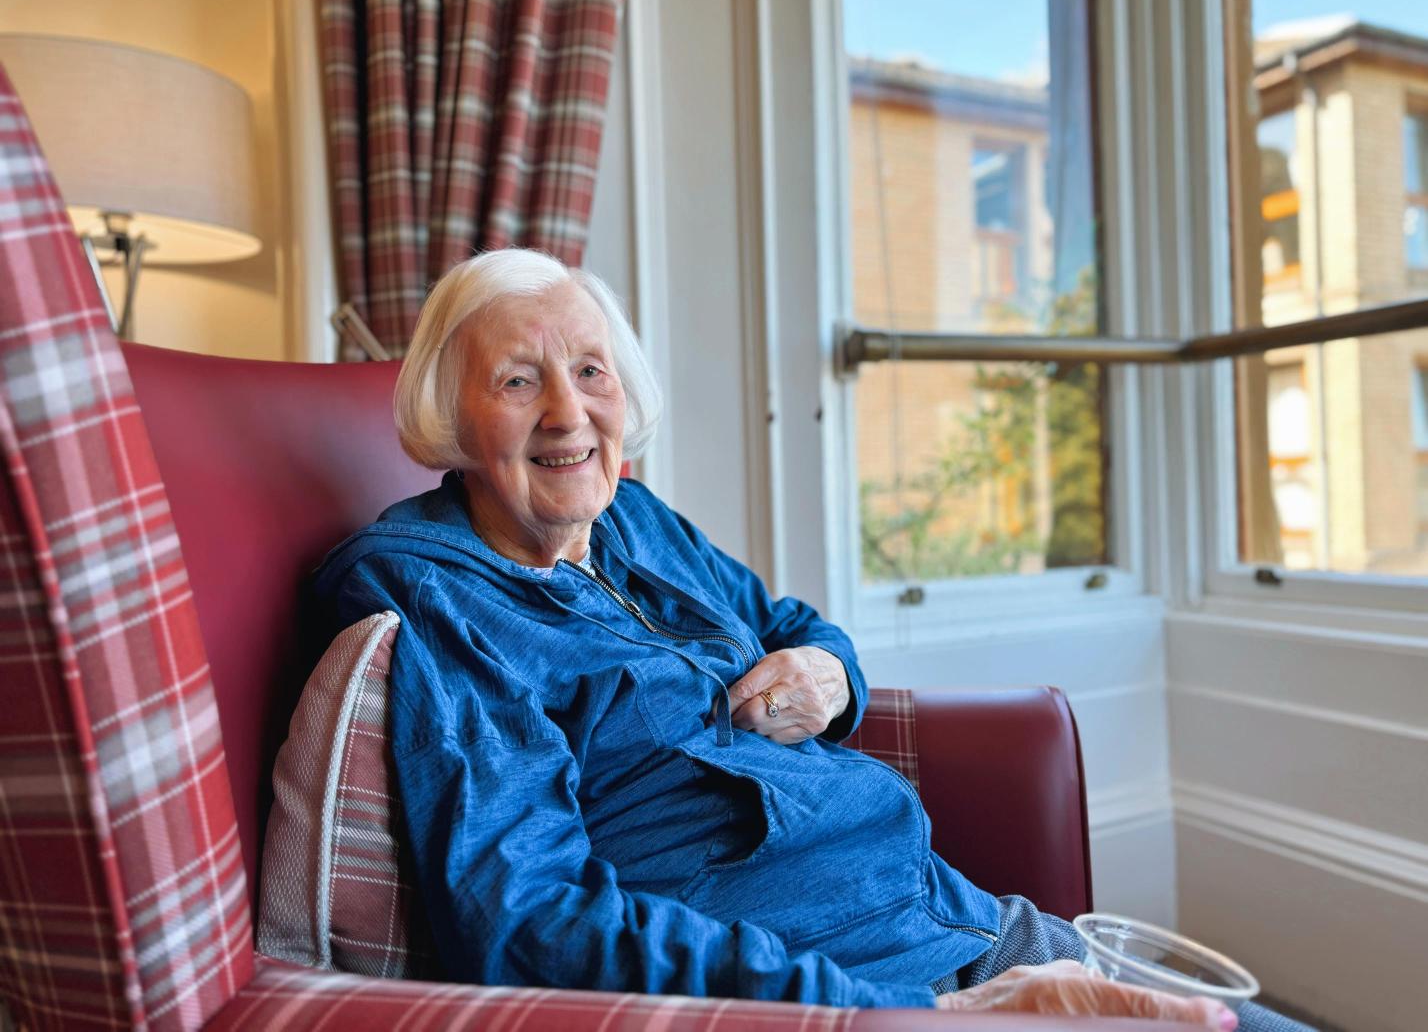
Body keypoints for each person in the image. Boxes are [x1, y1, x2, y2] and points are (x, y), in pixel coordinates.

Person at [314, 249, 1311, 1030]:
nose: (571, 414)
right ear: (449, 412)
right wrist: (906, 1016)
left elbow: (788, 622)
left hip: (961, 920)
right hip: (841, 993)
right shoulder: (436, 595)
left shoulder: (631, 521)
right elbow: (529, 922)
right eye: (520, 382)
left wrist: (830, 670)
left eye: (590, 371)